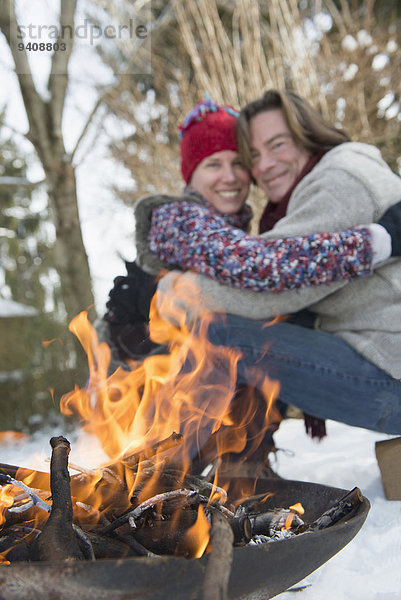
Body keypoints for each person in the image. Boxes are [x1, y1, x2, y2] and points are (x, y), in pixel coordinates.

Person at [154, 90, 401, 442]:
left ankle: (165, 472)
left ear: (307, 135)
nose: (264, 165)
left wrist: (177, 291)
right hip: (385, 361)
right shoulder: (186, 222)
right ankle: (217, 466)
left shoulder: (339, 182)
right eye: (253, 154)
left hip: (392, 375)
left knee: (220, 333)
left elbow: (274, 280)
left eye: (278, 145)